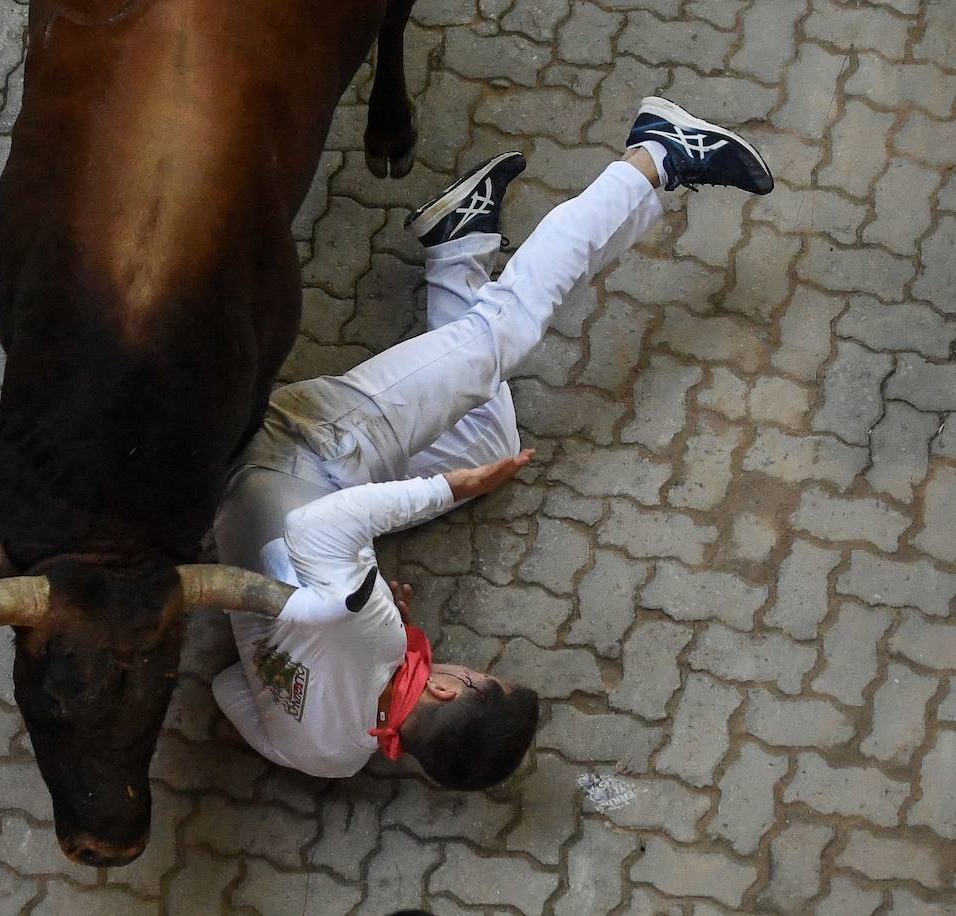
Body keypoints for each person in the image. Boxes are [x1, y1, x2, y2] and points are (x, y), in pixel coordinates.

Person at [211, 97, 774, 787]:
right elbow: (229, 692)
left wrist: (445, 496)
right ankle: (459, 243)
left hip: (305, 446)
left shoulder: (372, 626)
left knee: (501, 336)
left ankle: (657, 156)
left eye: (480, 672)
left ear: (451, 689)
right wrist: (302, 638)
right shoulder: (331, 757)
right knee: (490, 437)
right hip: (242, 510)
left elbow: (323, 531)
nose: (461, 664)